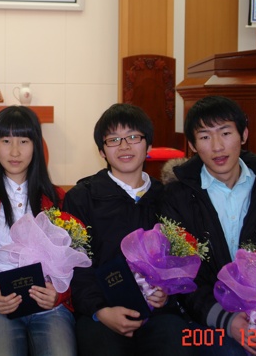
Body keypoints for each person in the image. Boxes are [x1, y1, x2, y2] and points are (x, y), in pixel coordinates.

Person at [157, 95, 256, 356]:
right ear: (193, 145)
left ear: (244, 135)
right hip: (208, 317)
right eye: (205, 136)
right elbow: (181, 276)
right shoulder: (177, 197)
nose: (217, 146)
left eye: (226, 133)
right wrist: (227, 321)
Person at [62, 103, 196, 356]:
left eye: (133, 137)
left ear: (149, 145)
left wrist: (167, 292)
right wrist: (101, 310)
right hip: (101, 314)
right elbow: (75, 265)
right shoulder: (82, 198)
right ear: (101, 151)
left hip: (158, 314)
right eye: (113, 140)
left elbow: (182, 257)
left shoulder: (167, 198)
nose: (124, 146)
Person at [0, 105, 74, 356]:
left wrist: (59, 293)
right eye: (6, 141)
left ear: (36, 146)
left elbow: (74, 257)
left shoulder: (57, 198)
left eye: (24, 141)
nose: (15, 151)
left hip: (49, 307)